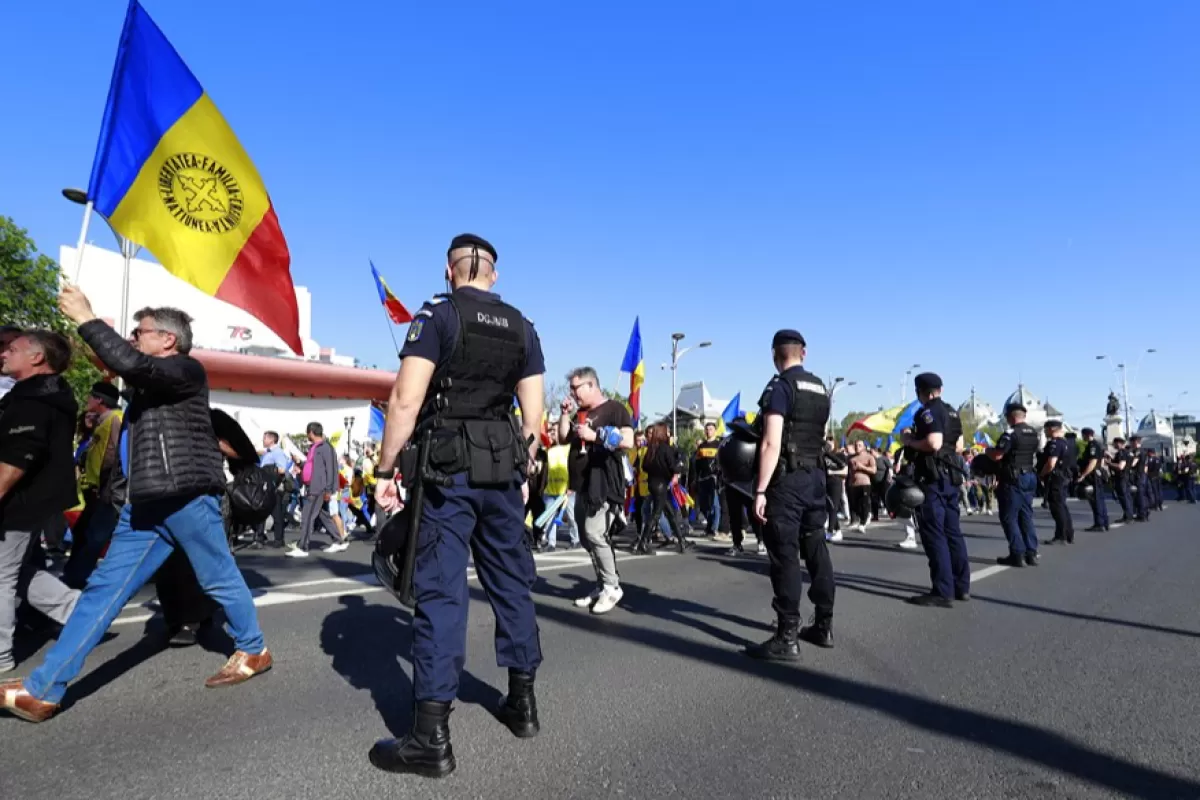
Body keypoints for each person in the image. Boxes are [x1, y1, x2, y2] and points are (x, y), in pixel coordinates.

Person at [1, 291, 272, 724]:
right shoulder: (150, 383)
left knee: (218, 577)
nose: (132, 338)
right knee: (100, 594)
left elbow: (131, 363)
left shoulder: (185, 369)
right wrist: (82, 333)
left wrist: (88, 317)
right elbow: (121, 364)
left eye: (139, 332)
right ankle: (43, 689)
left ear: (168, 340)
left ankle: (253, 649)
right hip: (144, 503)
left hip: (184, 496)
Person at [369, 234, 544, 779]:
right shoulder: (522, 324)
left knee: (443, 593)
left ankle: (430, 738)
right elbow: (533, 417)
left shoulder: (438, 314)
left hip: (448, 468)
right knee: (511, 582)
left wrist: (383, 469)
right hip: (504, 468)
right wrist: (525, 473)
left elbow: (405, 398)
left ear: (451, 270)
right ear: (493, 272)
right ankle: (522, 704)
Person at [746, 330, 835, 659]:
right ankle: (824, 625)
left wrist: (760, 489)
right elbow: (822, 436)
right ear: (804, 353)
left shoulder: (780, 387)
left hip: (788, 481)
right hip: (816, 478)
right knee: (816, 550)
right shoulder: (821, 389)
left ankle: (787, 637)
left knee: (785, 556)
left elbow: (771, 442)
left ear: (774, 355)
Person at [0, 330, 82, 673]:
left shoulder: (33, 400)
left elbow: (19, 457)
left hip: (21, 501)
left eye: (12, 349)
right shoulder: (36, 395)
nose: (4, 353)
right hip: (32, 500)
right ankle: (83, 613)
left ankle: (1, 655)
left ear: (36, 358)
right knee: (15, 573)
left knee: (2, 575)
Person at [557, 367, 635, 614]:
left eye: (576, 388)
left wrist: (596, 435)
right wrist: (563, 415)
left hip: (602, 483)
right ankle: (602, 584)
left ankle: (612, 587)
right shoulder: (580, 413)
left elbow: (628, 441)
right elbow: (562, 438)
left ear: (591, 385)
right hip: (580, 484)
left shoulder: (614, 409)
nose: (573, 393)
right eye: (571, 389)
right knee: (585, 537)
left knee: (594, 533)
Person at [901, 373, 969, 607]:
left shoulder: (928, 411)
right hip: (950, 476)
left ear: (923, 391)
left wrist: (909, 441)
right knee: (953, 532)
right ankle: (961, 586)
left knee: (934, 533)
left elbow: (934, 442)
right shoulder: (952, 411)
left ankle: (942, 590)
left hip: (933, 478)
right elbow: (958, 445)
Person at [985, 402, 1041, 567]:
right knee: (1026, 515)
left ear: (1010, 417)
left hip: (1013, 478)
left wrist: (987, 451)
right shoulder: (1033, 433)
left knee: (1009, 517)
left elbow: (997, 455)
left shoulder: (1010, 433)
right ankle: (1031, 552)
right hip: (1030, 475)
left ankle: (1017, 554)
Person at [637, 422, 689, 555]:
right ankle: (643, 543)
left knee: (670, 512)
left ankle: (681, 541)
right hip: (662, 484)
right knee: (656, 514)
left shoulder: (651, 448)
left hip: (653, 483)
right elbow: (673, 467)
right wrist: (681, 467)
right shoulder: (666, 448)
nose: (668, 434)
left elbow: (645, 467)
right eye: (666, 431)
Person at [1040, 420, 1075, 545]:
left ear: (1052, 429)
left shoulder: (1054, 444)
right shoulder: (1067, 443)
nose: (1045, 432)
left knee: (1057, 508)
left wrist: (1041, 474)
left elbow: (1051, 464)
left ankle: (1061, 535)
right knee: (1062, 506)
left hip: (1055, 478)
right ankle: (1068, 533)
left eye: (1046, 429)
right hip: (1064, 477)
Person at [691, 422, 721, 536]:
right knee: (703, 505)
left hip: (714, 479)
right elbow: (697, 463)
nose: (708, 431)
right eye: (707, 429)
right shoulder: (701, 446)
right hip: (702, 479)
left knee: (715, 504)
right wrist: (695, 478)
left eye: (711, 429)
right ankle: (709, 525)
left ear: (715, 431)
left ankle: (714, 528)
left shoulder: (719, 445)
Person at [1077, 428, 1109, 531]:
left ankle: (1099, 524)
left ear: (1086, 435)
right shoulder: (1098, 444)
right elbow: (1102, 460)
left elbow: (1093, 462)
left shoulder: (1092, 445)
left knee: (1096, 500)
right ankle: (1104, 522)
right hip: (1097, 474)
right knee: (1099, 499)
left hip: (1094, 475)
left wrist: (1083, 475)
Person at [846, 440, 876, 533]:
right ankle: (857, 520)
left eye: (859, 445)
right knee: (855, 505)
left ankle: (863, 523)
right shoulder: (851, 458)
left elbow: (874, 470)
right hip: (853, 484)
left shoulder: (869, 457)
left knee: (864, 504)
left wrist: (862, 467)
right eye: (856, 445)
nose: (857, 447)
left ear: (863, 447)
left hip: (865, 483)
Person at [822, 438, 848, 543]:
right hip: (825, 482)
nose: (829, 445)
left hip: (836, 482)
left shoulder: (840, 456)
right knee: (829, 506)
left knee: (833, 506)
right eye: (827, 443)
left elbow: (844, 470)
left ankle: (830, 531)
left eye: (831, 443)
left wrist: (832, 472)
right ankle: (838, 530)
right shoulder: (823, 455)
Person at [1108, 437, 1133, 522]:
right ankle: (1128, 515)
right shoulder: (1127, 452)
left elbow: (1120, 466)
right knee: (1127, 496)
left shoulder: (1122, 453)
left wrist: (1109, 463)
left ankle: (1128, 516)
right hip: (1126, 476)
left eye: (1115, 443)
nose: (1114, 445)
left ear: (1119, 443)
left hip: (1121, 477)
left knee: (1123, 496)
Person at [1128, 435, 1150, 521]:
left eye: (1132, 442)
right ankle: (1144, 512)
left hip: (1138, 475)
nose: (1131, 444)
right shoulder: (1144, 451)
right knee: (1142, 495)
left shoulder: (1138, 452)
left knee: (1139, 495)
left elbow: (1133, 463)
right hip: (1142, 475)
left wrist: (1127, 464)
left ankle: (1142, 514)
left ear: (1136, 442)